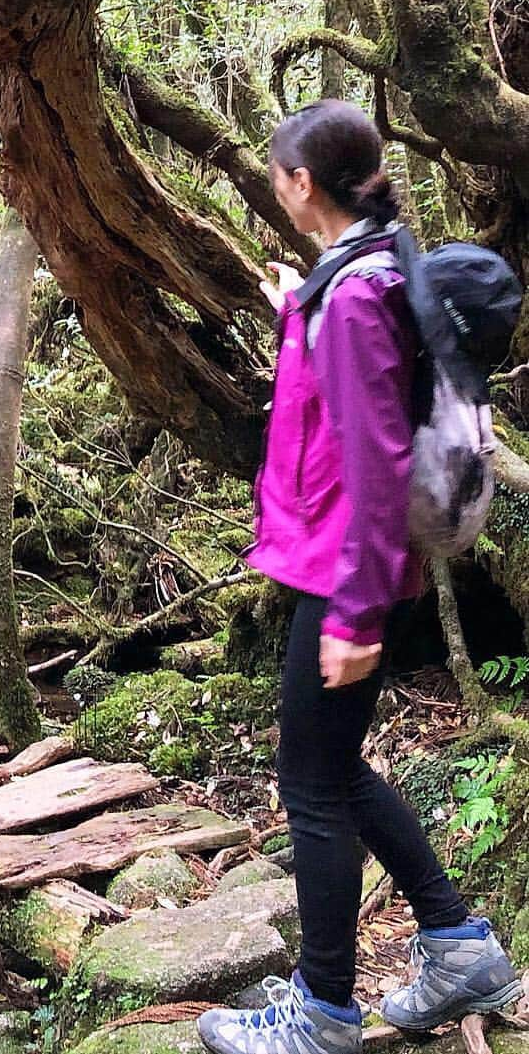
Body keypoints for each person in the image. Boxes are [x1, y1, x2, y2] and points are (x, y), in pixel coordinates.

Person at [197, 100, 523, 1054]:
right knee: (333, 768)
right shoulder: (370, 266)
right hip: (354, 564)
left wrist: (353, 610)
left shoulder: (353, 296)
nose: (274, 187)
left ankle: (326, 1010)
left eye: (278, 174)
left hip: (349, 569)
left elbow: (375, 458)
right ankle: (459, 946)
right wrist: (294, 311)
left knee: (310, 783)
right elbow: (362, 388)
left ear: (303, 184)